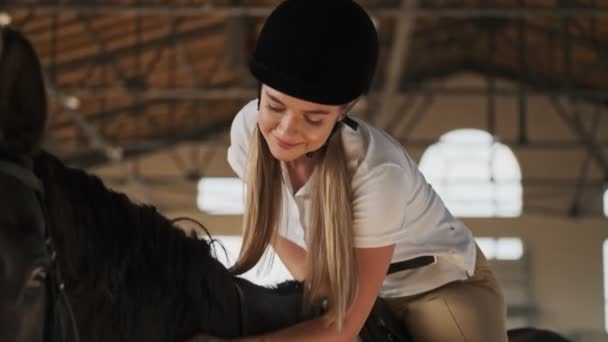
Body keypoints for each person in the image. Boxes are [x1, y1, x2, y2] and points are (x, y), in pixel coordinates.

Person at [211, 0, 508, 341]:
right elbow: (305, 267)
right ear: (260, 94)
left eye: (314, 118)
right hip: (347, 284)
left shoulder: (379, 171)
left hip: (435, 285)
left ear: (343, 112)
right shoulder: (246, 132)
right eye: (275, 106)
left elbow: (344, 326)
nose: (287, 131)